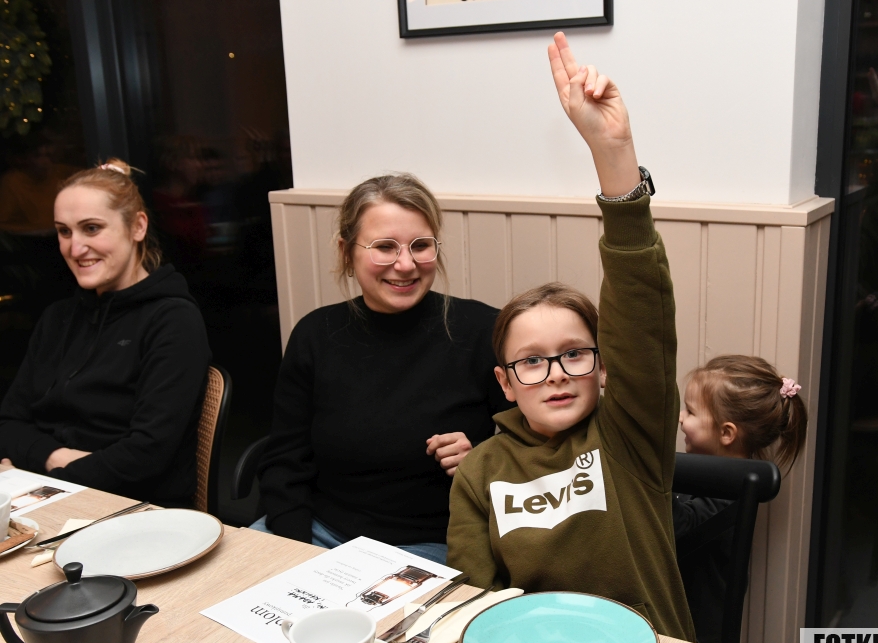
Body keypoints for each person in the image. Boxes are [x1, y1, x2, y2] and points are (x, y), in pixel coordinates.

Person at [446, 32, 695, 640]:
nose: (556, 373)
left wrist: (614, 154)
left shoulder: (629, 434)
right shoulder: (481, 472)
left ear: (604, 367)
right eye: (531, 362)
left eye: (574, 354)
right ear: (505, 383)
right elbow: (473, 602)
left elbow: (641, 314)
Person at [254, 172, 510, 563]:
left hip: (432, 544)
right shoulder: (315, 335)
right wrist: (298, 554)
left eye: (420, 245)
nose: (405, 264)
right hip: (317, 533)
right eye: (385, 247)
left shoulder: (484, 331)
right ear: (346, 252)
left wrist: (481, 460)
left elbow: (536, 453)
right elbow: (284, 463)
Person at [0, 159, 212, 507]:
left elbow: (146, 456)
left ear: (138, 226)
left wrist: (41, 475)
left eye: (92, 228)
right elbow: (8, 423)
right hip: (47, 496)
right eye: (64, 231)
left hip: (135, 510)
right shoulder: (57, 318)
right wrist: (57, 458)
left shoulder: (173, 321)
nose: (75, 248)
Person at [673, 354, 808, 643]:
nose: (681, 417)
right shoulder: (703, 475)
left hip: (697, 636)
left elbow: (678, 526)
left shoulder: (730, 493)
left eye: (691, 412)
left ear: (726, 433)